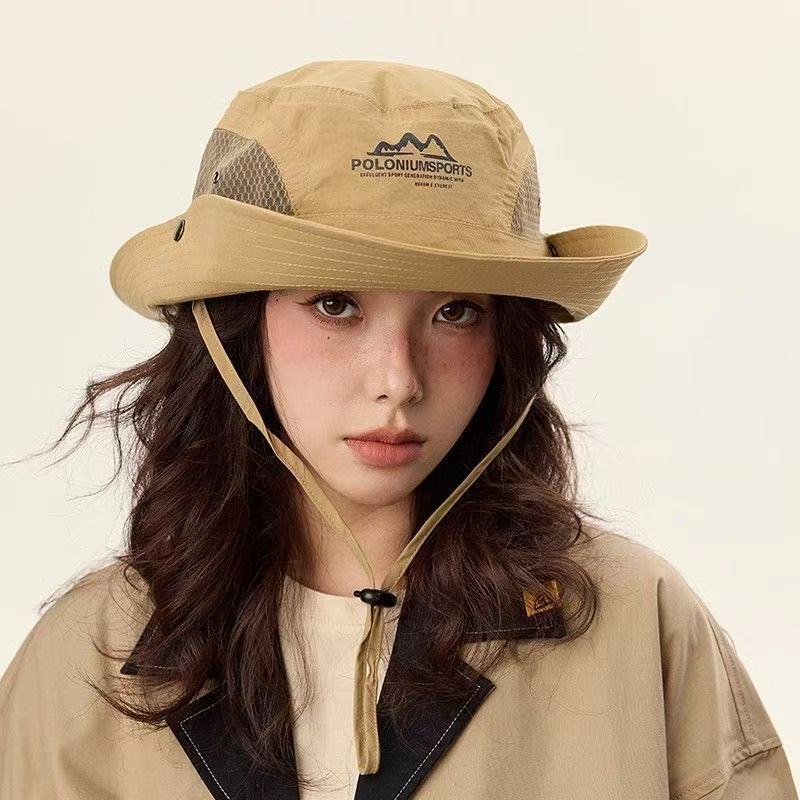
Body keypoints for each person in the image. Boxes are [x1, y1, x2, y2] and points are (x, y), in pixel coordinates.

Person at [0, 59, 796, 800]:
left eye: (457, 312)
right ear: (234, 328)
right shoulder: (87, 656)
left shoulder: (633, 620)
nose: (400, 380)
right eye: (336, 304)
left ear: (507, 342)